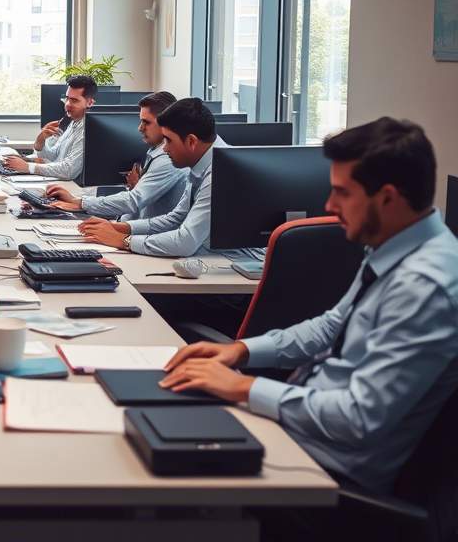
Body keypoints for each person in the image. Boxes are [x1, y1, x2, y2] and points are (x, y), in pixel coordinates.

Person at [160, 117, 458, 539]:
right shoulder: (395, 248)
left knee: (157, 479)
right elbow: (330, 327)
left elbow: (359, 418)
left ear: (388, 198)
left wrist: (242, 388)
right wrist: (241, 351)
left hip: (327, 474)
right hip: (304, 429)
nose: (330, 207)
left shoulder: (426, 286)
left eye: (341, 193)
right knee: (159, 411)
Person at [77, 97, 227, 256]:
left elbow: (185, 242)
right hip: (207, 260)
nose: (165, 149)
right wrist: (119, 228)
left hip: (229, 266)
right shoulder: (200, 162)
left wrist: (123, 240)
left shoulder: (218, 175)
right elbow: (175, 219)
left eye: (168, 140)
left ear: (191, 141)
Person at [43, 90, 186, 221]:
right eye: (140, 121)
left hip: (147, 238)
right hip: (132, 228)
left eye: (146, 122)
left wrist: (79, 202)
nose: (139, 128)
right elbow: (136, 205)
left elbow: (132, 202)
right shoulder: (153, 152)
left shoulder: (167, 160)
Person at [3, 74, 96, 180]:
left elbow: (69, 170)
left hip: (72, 187)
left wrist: (29, 167)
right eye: (67, 99)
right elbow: (53, 156)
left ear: (89, 102)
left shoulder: (88, 130)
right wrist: (40, 140)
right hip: (60, 182)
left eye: (74, 100)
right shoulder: (74, 122)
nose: (67, 104)